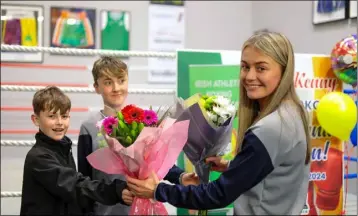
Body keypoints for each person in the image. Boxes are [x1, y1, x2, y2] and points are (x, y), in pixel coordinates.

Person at [126, 32, 312, 215]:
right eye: (245, 67)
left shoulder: (270, 128)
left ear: (284, 71)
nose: (249, 76)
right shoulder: (294, 111)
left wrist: (159, 191)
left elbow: (219, 194)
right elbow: (272, 174)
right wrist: (233, 167)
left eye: (261, 68)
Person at [77, 56, 200, 215]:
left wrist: (181, 177)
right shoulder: (88, 127)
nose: (116, 88)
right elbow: (84, 181)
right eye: (108, 82)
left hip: (142, 209)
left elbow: (156, 161)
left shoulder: (143, 121)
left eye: (121, 80)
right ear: (96, 87)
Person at [20, 86, 133, 216]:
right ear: (36, 120)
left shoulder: (63, 149)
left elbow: (70, 199)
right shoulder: (38, 158)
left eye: (64, 116)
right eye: (52, 116)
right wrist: (116, 191)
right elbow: (74, 186)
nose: (59, 122)